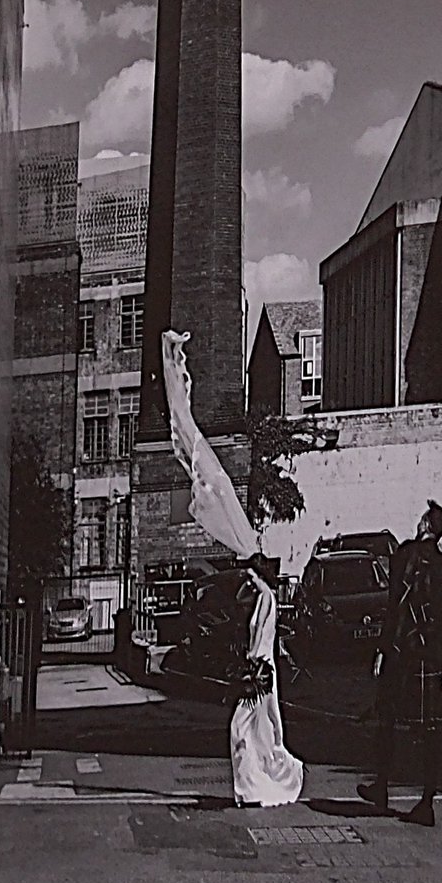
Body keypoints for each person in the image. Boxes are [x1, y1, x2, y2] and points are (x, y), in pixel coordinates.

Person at [157, 330, 306, 807]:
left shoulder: (263, 595)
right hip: (259, 673)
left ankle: (259, 782)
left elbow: (261, 637)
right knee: (252, 730)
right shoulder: (263, 592)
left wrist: (250, 668)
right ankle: (255, 782)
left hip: (258, 675)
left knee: (249, 728)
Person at [361, 500, 442, 825]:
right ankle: (427, 801)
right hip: (429, 658)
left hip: (403, 651)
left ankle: (382, 787)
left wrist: (383, 648)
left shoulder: (405, 555)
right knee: (430, 729)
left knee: (387, 719)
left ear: (426, 525)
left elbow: (394, 607)